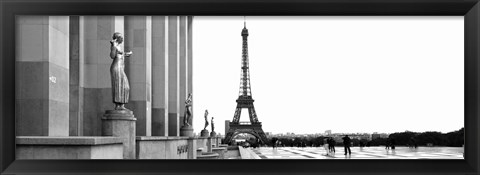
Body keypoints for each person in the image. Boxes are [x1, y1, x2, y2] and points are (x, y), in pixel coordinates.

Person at [109, 32, 133, 110]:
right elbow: (112, 56)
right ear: (117, 38)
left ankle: (121, 104)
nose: (122, 39)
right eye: (120, 37)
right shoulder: (115, 46)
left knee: (125, 87)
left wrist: (127, 54)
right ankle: (118, 105)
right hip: (116, 68)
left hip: (120, 68)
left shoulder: (119, 47)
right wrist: (113, 46)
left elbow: (121, 54)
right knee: (118, 85)